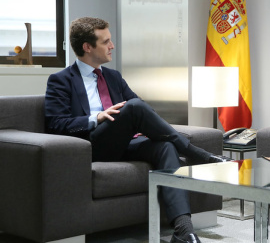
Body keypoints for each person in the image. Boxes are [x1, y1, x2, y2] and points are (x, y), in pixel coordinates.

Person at [45, 17, 231, 243]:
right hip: (91, 146)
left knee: (165, 146)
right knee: (133, 108)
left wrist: (143, 128)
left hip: (125, 142)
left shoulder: (112, 76)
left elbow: (142, 109)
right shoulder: (61, 80)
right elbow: (56, 124)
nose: (112, 46)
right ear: (87, 47)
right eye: (106, 42)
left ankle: (183, 229)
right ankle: (196, 153)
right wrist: (96, 117)